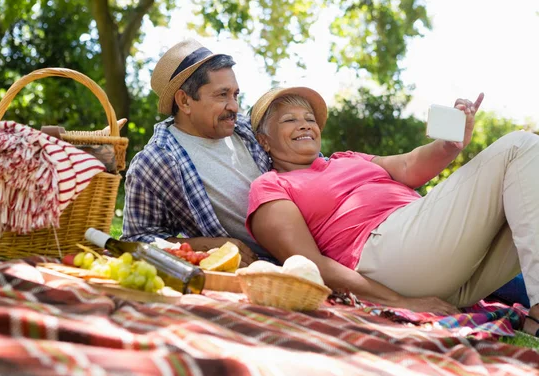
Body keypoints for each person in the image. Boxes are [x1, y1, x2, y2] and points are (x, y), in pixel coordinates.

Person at [246, 86, 539, 336]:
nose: (305, 124)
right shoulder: (271, 185)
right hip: (386, 259)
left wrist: (450, 145)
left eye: (310, 118)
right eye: (290, 120)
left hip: (445, 272)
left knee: (525, 185)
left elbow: (410, 166)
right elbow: (309, 264)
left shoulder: (346, 159)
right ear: (264, 140)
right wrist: (402, 302)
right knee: (520, 145)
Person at [122, 39, 273, 265]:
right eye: (222, 95)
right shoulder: (156, 161)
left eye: (235, 95)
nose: (234, 106)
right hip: (266, 268)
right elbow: (135, 241)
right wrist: (207, 246)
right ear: (184, 101)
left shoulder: (250, 129)